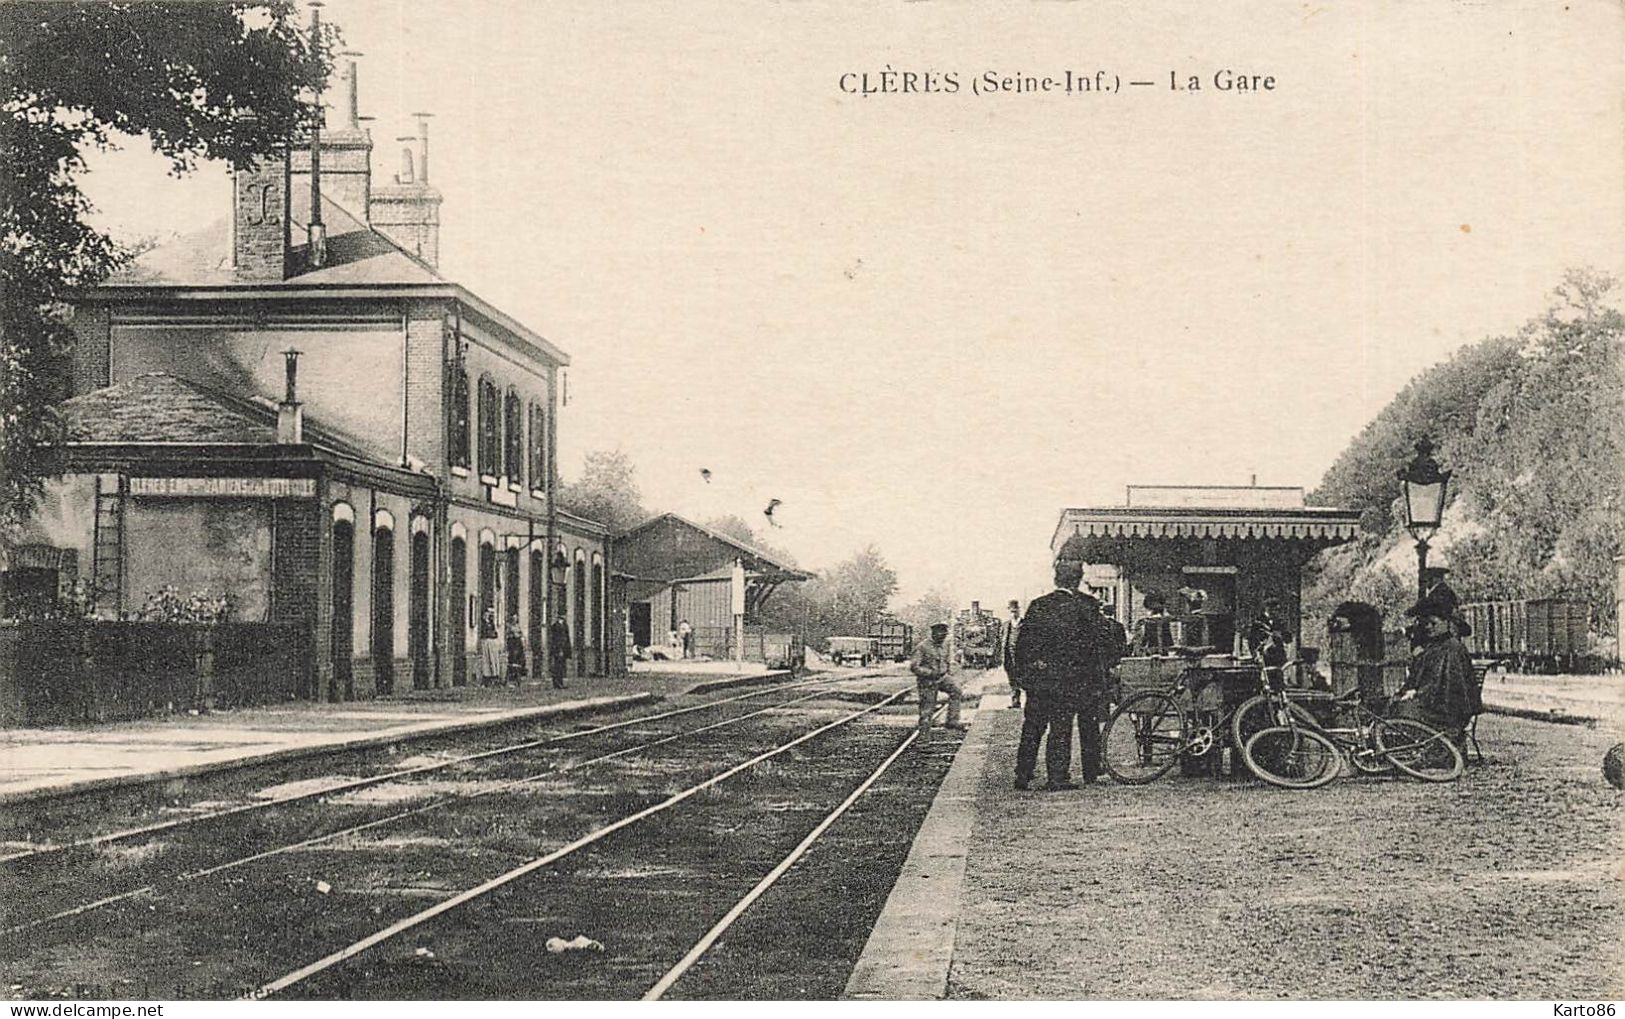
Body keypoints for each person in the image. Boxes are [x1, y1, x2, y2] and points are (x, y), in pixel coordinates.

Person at [1012, 560, 1091, 791]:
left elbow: (1022, 646)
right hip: (1067, 681)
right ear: (1077, 580)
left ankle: (1023, 774)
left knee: (1032, 727)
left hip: (1039, 681)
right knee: (1060, 728)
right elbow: (1089, 647)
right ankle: (1057, 777)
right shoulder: (1081, 607)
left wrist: (1029, 674)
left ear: (1056, 579)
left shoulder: (1038, 605)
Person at [1396, 593, 1482, 744]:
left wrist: (1416, 693)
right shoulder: (1433, 646)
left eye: (1432, 623)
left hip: (1447, 711)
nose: (1428, 627)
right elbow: (1419, 677)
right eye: (1425, 624)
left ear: (1446, 622)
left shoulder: (1452, 649)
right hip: (1433, 703)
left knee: (1402, 710)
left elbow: (1450, 688)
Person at [910, 623, 967, 737]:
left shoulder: (942, 646)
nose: (944, 637)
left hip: (942, 677)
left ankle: (952, 721)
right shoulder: (922, 647)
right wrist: (929, 673)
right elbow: (914, 666)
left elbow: (945, 661)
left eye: (945, 635)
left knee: (956, 690)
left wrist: (948, 671)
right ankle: (924, 738)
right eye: (942, 635)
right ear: (934, 634)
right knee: (927, 709)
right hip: (927, 681)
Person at [1001, 600, 1022, 709]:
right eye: (1012, 611)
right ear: (1009, 611)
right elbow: (1002, 641)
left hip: (1022, 657)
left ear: (1019, 610)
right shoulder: (1005, 625)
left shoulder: (1025, 624)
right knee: (1012, 680)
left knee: (1024, 679)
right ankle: (1015, 702)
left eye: (1015, 611)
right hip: (1009, 656)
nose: (1014, 613)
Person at [477, 607, 503, 688]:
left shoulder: (491, 623)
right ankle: (487, 678)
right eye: (486, 614)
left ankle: (494, 677)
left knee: (493, 660)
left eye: (489, 614)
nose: (487, 615)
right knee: (487, 660)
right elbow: (484, 633)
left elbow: (495, 633)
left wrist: (493, 634)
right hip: (486, 643)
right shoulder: (483, 624)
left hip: (492, 643)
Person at [548, 611, 573, 689]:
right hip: (558, 649)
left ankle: (560, 682)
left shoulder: (565, 625)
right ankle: (557, 683)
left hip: (563, 649)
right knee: (557, 667)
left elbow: (567, 638)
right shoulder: (555, 626)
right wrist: (559, 650)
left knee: (561, 666)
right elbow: (555, 640)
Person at [505, 613, 528, 686]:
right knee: (513, 662)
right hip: (513, 645)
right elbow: (508, 636)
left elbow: (521, 634)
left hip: (518, 645)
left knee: (520, 661)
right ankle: (511, 679)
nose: (515, 620)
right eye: (513, 618)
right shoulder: (509, 626)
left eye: (516, 618)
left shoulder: (518, 626)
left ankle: (518, 678)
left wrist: (521, 637)